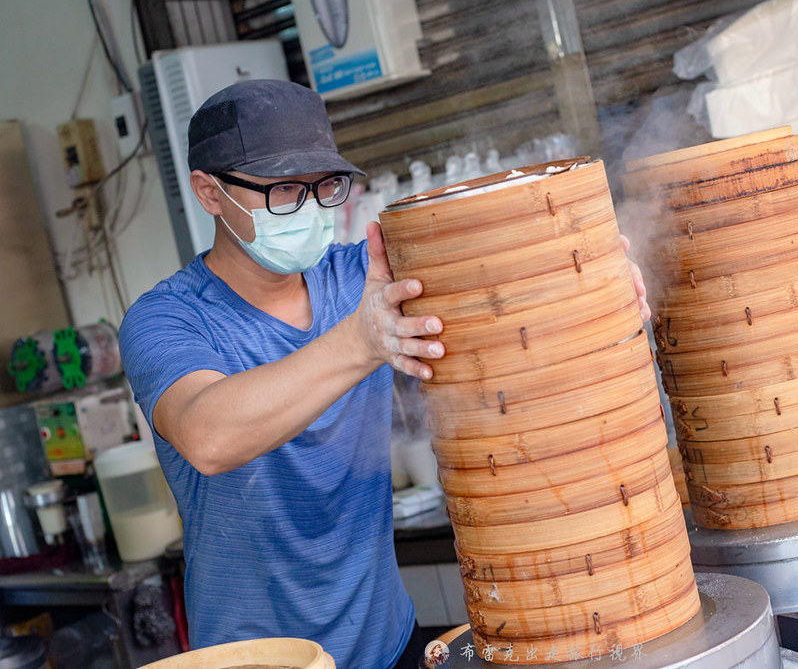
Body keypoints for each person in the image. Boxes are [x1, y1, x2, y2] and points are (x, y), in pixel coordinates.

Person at [120, 78, 650, 667]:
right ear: (210, 193)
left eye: (327, 187)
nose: (313, 208)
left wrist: (593, 275)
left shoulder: (361, 277)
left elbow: (502, 281)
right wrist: (360, 340)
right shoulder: (166, 319)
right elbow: (208, 435)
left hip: (389, 644)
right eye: (285, 190)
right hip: (258, 658)